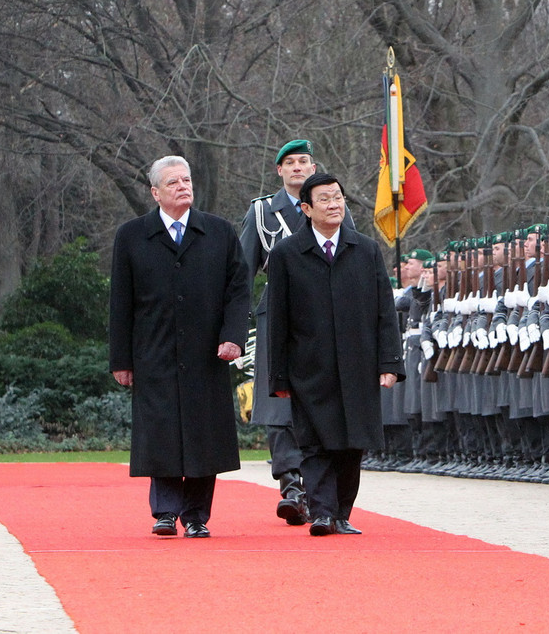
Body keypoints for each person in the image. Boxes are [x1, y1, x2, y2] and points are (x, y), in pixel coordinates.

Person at [109, 155, 250, 538]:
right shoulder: (132, 235)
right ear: (155, 192)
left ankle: (197, 516)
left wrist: (233, 336)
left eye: (186, 180)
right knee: (161, 432)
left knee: (206, 434)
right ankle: (166, 511)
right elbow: (120, 301)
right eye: (173, 182)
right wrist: (121, 359)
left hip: (208, 353)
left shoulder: (219, 233)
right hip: (153, 351)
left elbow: (239, 291)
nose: (183, 186)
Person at [267, 172, 404, 536]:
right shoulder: (286, 254)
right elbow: (277, 320)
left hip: (358, 364)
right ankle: (322, 512)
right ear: (307, 208)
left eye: (338, 198)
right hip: (308, 367)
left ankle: (341, 512)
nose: (334, 205)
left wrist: (390, 363)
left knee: (352, 444)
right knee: (314, 443)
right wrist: (278, 376)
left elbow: (384, 312)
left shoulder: (365, 249)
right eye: (325, 199)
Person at [240, 139, 355, 526]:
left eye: (304, 161)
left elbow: (353, 258)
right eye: (289, 162)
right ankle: (290, 481)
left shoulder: (336, 208)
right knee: (278, 399)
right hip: (278, 311)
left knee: (321, 399)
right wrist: (233, 327)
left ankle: (316, 487)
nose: (297, 167)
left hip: (328, 316)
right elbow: (242, 273)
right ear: (279, 171)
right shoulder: (262, 213)